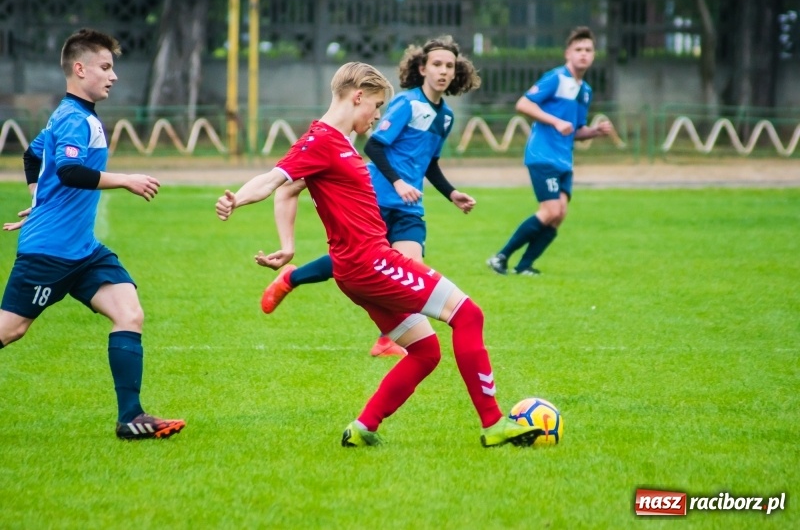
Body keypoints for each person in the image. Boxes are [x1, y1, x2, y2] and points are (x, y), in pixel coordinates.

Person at [215, 61, 543, 448]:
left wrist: (288, 246)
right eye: (376, 105)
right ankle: (493, 424)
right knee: (469, 314)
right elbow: (273, 181)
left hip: (353, 272)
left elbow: (289, 190)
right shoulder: (321, 141)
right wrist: (237, 199)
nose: (377, 116)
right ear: (357, 97)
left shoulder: (336, 143)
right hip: (373, 263)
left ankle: (363, 427)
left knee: (425, 351)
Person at [0, 28, 185, 440]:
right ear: (79, 69)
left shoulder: (74, 117)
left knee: (129, 312)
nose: (113, 75)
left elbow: (33, 156)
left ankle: (131, 417)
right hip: (49, 253)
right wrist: (124, 180)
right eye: (105, 67)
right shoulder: (73, 118)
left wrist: (39, 197)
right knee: (10, 330)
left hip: (83, 251)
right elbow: (66, 170)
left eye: (113, 67)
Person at [258, 36, 479, 358]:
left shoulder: (446, 117)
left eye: (450, 66)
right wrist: (399, 181)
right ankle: (292, 277)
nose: (443, 71)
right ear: (422, 68)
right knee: (359, 260)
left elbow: (430, 163)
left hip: (409, 208)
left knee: (410, 270)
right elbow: (374, 145)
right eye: (437, 64)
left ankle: (387, 338)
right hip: (378, 197)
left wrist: (451, 193)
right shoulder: (406, 103)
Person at [487, 26, 613, 276]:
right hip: (542, 155)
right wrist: (554, 120)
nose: (584, 54)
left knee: (559, 215)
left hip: (564, 160)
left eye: (588, 50)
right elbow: (523, 103)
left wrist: (595, 131)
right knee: (551, 210)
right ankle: (500, 257)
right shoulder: (556, 78)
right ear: (568, 53)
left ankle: (524, 266)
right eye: (578, 49)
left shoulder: (585, 91)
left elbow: (574, 130)